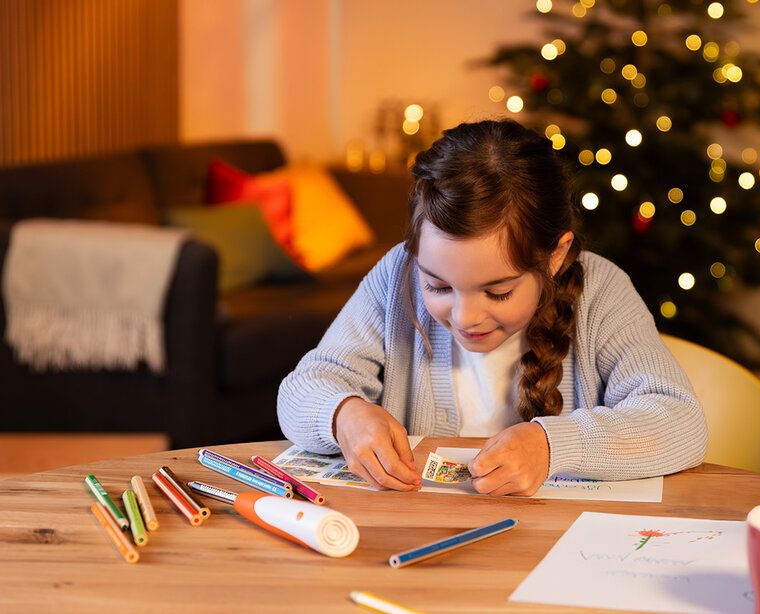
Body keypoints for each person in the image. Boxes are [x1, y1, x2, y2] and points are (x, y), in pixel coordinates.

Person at [278, 119, 707, 496]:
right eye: (437, 285)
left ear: (555, 256)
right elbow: (303, 388)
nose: (465, 318)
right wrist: (344, 415)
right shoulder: (397, 276)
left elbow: (680, 422)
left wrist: (552, 446)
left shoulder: (601, 290)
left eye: (498, 292)